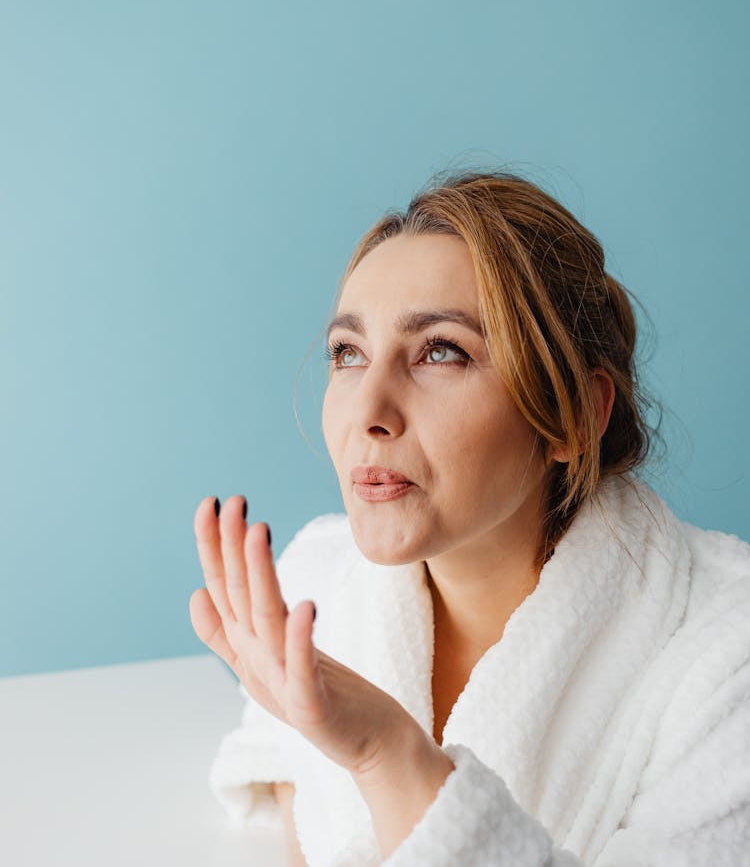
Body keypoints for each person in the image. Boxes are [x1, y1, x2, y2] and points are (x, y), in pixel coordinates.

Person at [189, 168, 750, 867]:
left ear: (575, 415)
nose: (368, 411)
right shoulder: (317, 586)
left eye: (440, 351)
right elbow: (286, 775)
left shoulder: (728, 658)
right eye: (348, 353)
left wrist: (388, 754)